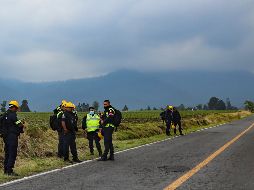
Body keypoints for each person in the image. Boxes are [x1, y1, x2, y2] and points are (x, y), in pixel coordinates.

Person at [3, 100, 25, 176]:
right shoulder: (13, 115)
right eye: (16, 108)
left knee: (7, 153)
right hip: (12, 136)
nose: (16, 110)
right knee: (12, 153)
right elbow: (19, 124)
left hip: (5, 137)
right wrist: (22, 124)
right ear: (14, 107)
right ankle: (10, 171)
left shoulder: (5, 114)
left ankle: (5, 170)